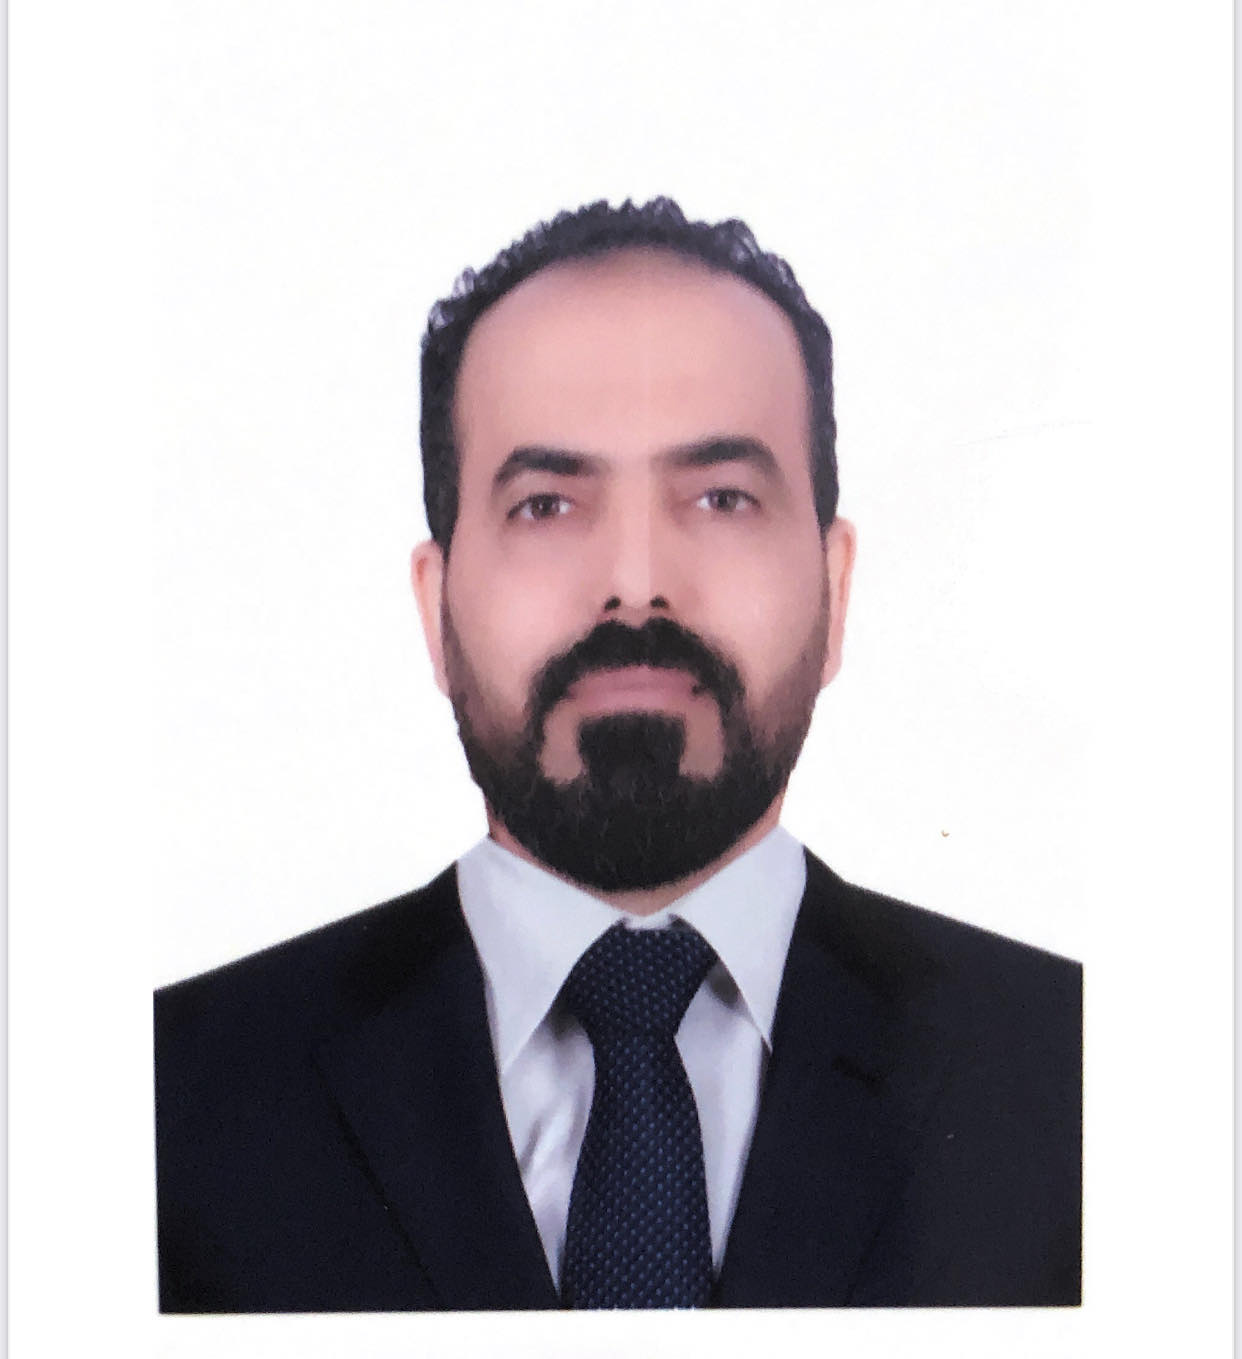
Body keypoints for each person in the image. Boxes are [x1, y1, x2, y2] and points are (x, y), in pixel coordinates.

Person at [154, 197, 1082, 1312]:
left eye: (723, 498)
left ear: (835, 592)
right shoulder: (162, 1100)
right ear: (436, 607)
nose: (636, 584)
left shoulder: (1087, 1081)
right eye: (546, 504)